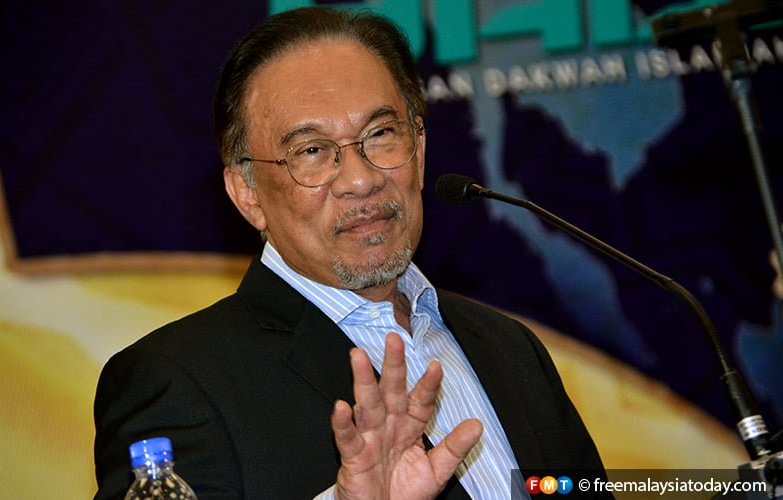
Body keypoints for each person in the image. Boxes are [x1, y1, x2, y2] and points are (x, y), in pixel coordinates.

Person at [93, 6, 611, 499]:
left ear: (420, 151)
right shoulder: (177, 382)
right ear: (248, 194)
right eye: (311, 151)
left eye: (381, 134)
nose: (362, 180)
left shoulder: (510, 347)